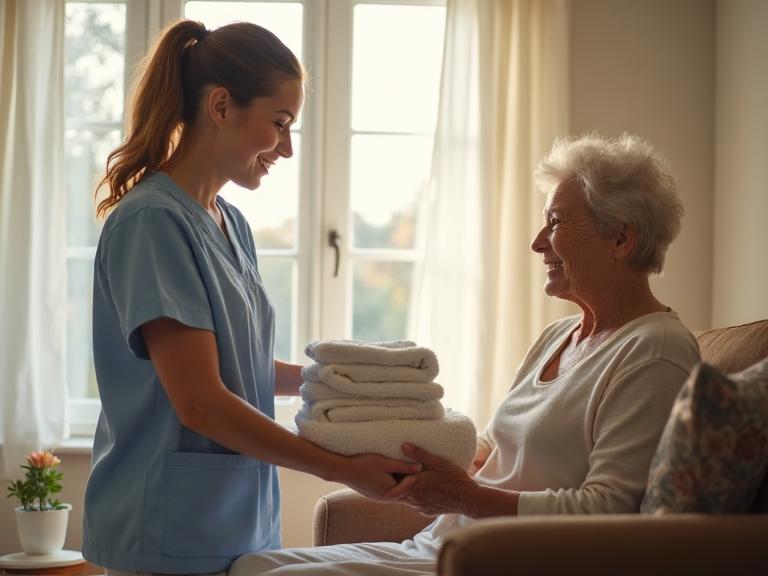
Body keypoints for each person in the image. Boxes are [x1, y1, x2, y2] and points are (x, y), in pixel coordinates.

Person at [229, 133, 702, 575]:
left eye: (556, 223)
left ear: (621, 239)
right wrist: (420, 458)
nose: (538, 242)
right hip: (438, 544)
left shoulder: (655, 350)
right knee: (250, 566)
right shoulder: (559, 335)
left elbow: (609, 511)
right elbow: (493, 448)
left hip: (499, 561)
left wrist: (465, 497)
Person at [82, 19, 419, 576]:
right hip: (168, 528)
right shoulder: (153, 222)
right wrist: (340, 467)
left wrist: (348, 383)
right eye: (279, 123)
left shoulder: (230, 223)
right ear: (221, 106)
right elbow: (200, 401)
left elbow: (241, 369)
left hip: (235, 520)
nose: (287, 148)